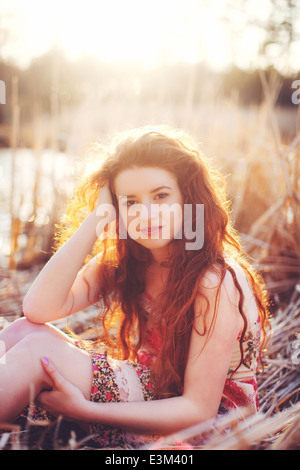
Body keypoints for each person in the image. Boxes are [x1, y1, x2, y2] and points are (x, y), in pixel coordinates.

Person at [0, 126, 270, 448]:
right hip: (155, 390)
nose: (147, 213)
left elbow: (198, 409)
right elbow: (37, 310)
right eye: (130, 202)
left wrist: (86, 410)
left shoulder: (213, 281)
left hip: (213, 428)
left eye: (161, 195)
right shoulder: (129, 259)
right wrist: (95, 222)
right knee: (20, 333)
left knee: (35, 351)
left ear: (188, 196)